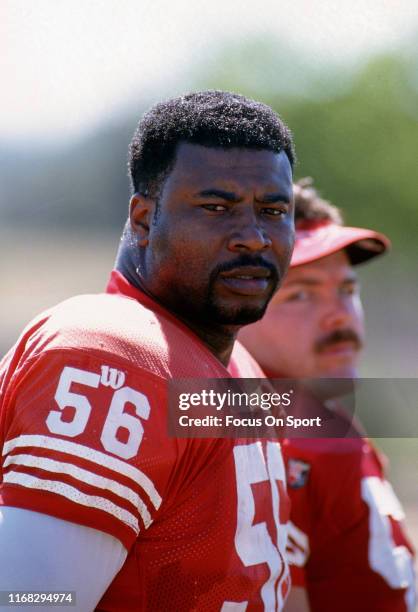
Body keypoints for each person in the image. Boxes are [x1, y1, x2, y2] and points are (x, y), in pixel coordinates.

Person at [0, 91, 296, 611]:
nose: (252, 237)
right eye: (216, 208)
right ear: (142, 218)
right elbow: (27, 600)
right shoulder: (111, 354)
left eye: (273, 211)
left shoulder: (237, 365)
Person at [239, 178, 416, 612]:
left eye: (347, 289)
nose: (340, 315)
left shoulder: (312, 417)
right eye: (301, 294)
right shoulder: (278, 441)